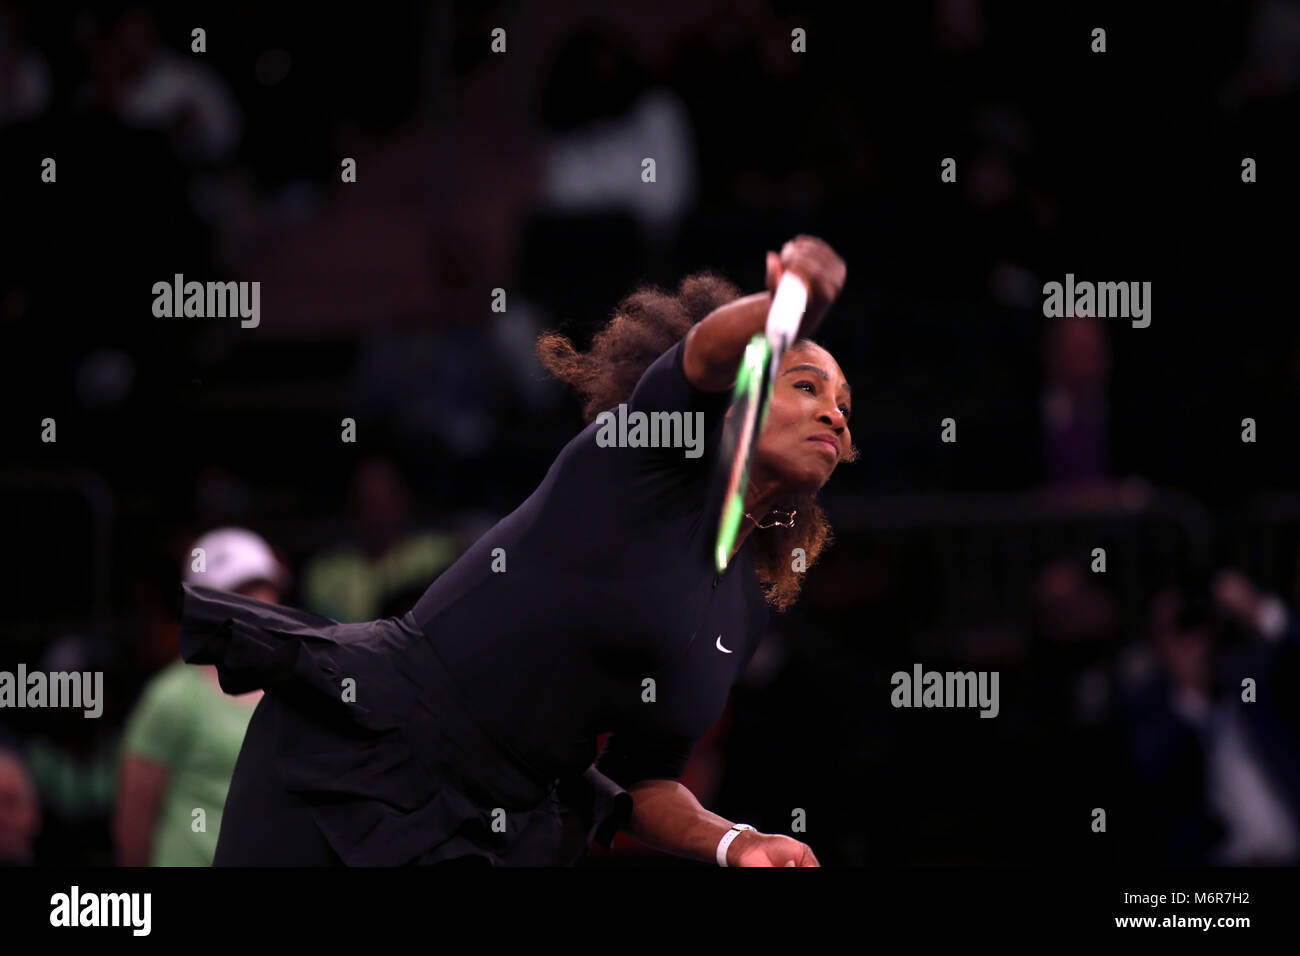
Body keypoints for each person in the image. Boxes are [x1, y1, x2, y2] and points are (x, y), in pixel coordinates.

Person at [180, 235, 853, 866]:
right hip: (366, 746)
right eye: (806, 385)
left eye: (843, 404)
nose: (834, 413)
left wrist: (735, 843)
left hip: (494, 818)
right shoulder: (643, 458)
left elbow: (639, 783)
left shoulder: (743, 606)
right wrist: (788, 305)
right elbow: (706, 351)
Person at [115, 528, 287, 866]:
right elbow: (133, 822)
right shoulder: (171, 697)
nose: (257, 603)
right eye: (238, 592)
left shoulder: (293, 690)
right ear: (203, 607)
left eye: (261, 587)